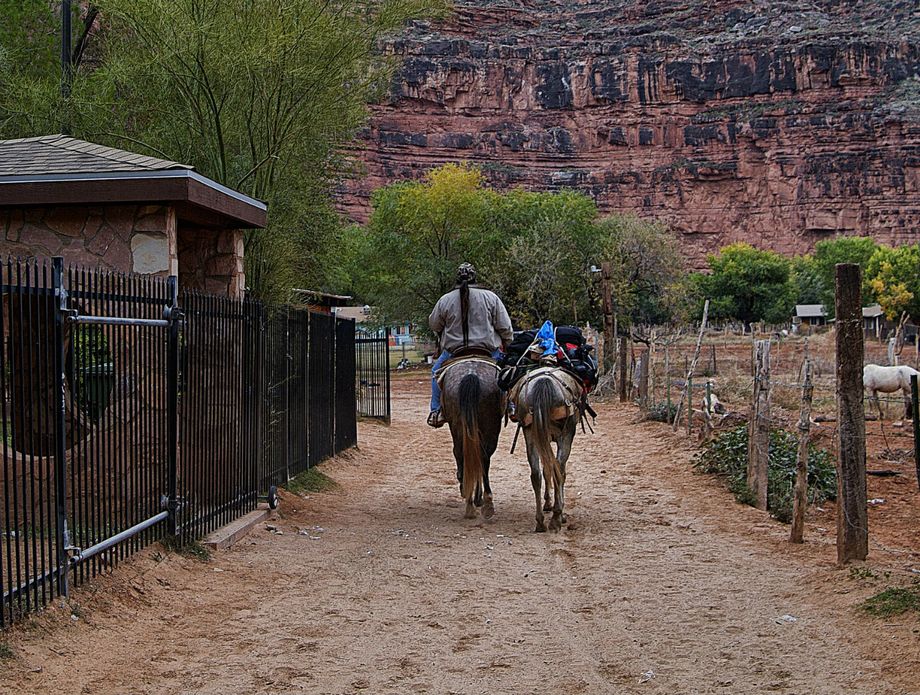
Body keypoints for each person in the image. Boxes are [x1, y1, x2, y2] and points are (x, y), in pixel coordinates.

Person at [427, 263, 513, 427]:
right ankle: (510, 405)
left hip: (454, 352)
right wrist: (508, 342)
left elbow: (434, 324)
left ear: (457, 278)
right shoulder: (491, 297)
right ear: (475, 278)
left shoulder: (445, 300)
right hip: (488, 351)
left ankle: (436, 411)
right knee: (507, 372)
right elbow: (505, 327)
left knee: (436, 372)